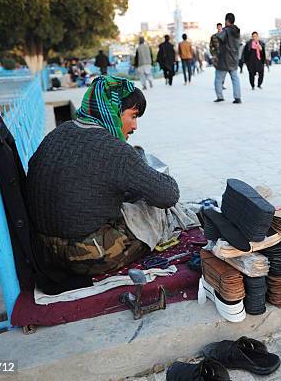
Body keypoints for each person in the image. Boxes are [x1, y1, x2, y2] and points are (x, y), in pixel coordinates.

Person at [26, 75, 180, 279]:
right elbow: (168, 195)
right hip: (83, 257)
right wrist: (140, 166)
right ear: (114, 111)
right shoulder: (113, 150)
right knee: (153, 211)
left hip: (42, 249)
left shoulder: (60, 131)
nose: (135, 127)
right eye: (133, 116)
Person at [213, 13, 242, 104]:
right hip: (234, 58)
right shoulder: (237, 31)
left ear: (226, 21)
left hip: (224, 58)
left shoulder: (226, 30)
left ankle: (220, 97)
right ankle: (238, 98)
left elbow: (218, 37)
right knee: (235, 78)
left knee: (218, 78)